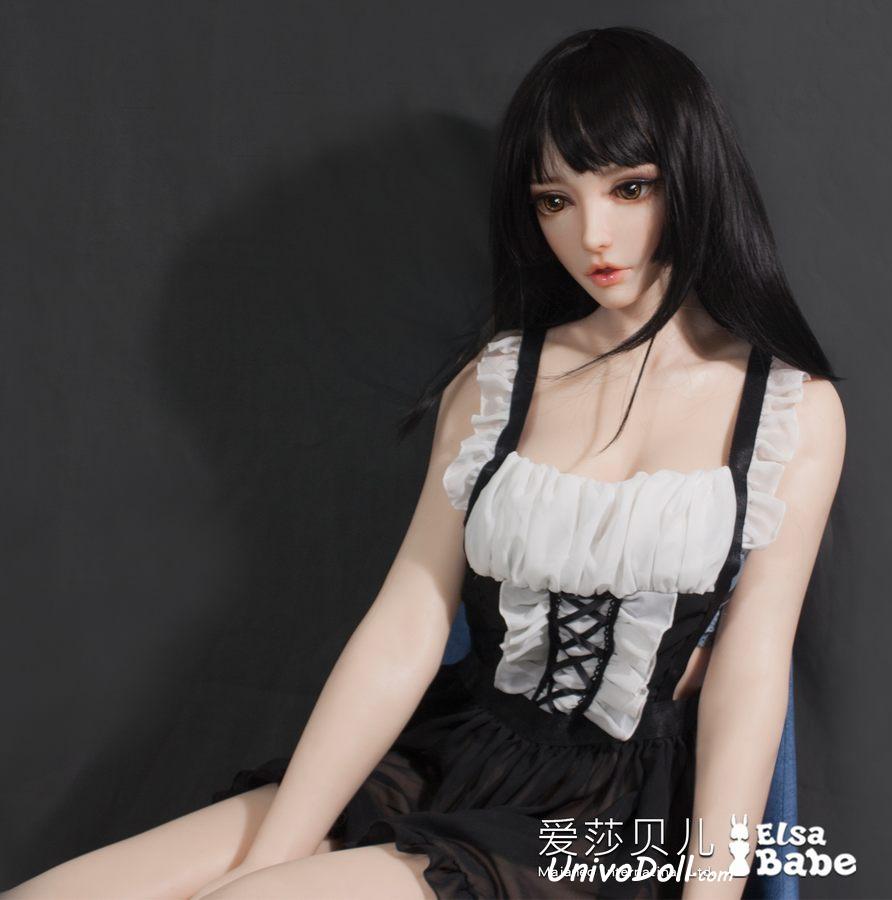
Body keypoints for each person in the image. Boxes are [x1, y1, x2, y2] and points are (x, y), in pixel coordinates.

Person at [5, 25, 845, 900]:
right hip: (450, 752)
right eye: (554, 200)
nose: (592, 233)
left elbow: (751, 672)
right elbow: (408, 619)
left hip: (609, 819)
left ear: (693, 178)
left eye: (629, 188)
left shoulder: (790, 410)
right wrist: (276, 849)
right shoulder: (498, 379)